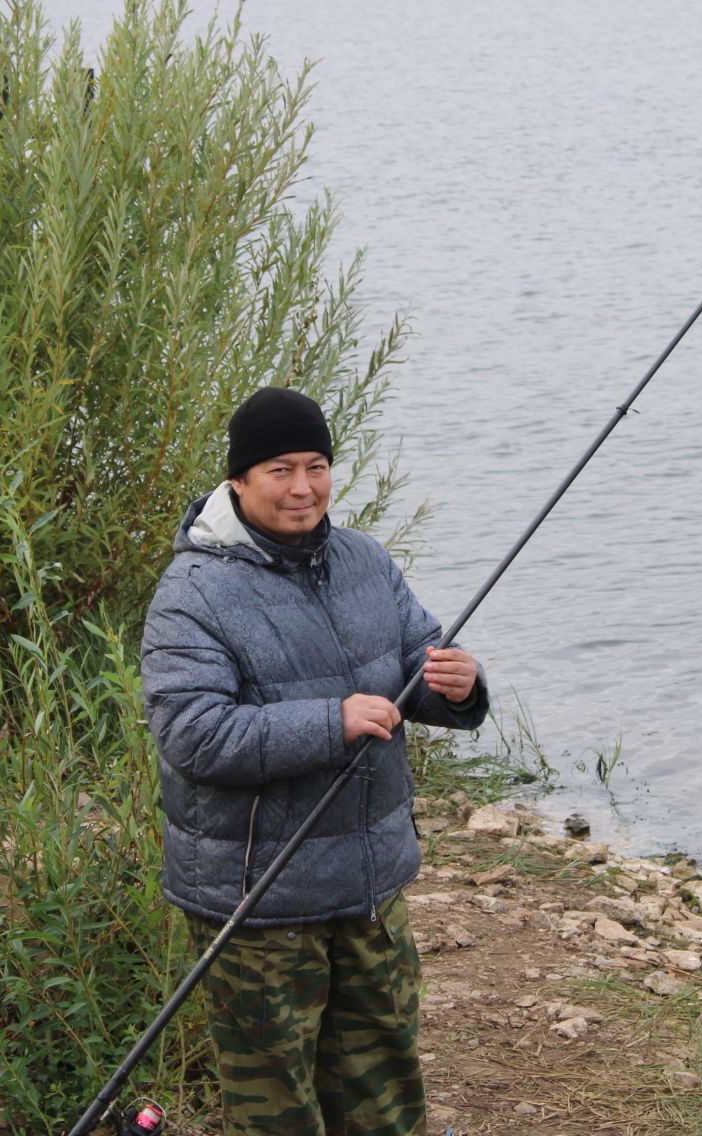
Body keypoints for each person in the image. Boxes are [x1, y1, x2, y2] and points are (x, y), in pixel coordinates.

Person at [141, 386, 489, 1136]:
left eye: (317, 466)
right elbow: (194, 736)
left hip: (367, 883)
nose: (303, 488)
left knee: (386, 1086)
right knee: (278, 1106)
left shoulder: (363, 558)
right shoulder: (193, 592)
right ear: (237, 480)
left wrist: (456, 686)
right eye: (279, 470)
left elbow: (411, 663)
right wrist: (330, 723)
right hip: (257, 901)